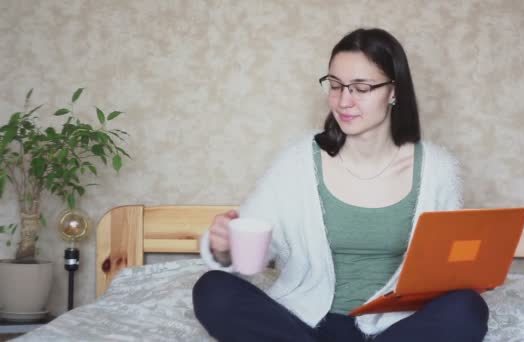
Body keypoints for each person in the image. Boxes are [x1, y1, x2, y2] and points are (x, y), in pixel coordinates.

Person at [193, 28, 489, 342]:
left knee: (468, 308)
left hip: (395, 328)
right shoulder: (298, 162)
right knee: (213, 291)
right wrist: (223, 248)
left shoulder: (437, 170)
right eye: (335, 85)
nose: (343, 100)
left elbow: (443, 269)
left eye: (361, 87)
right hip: (307, 323)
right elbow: (255, 244)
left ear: (393, 91)